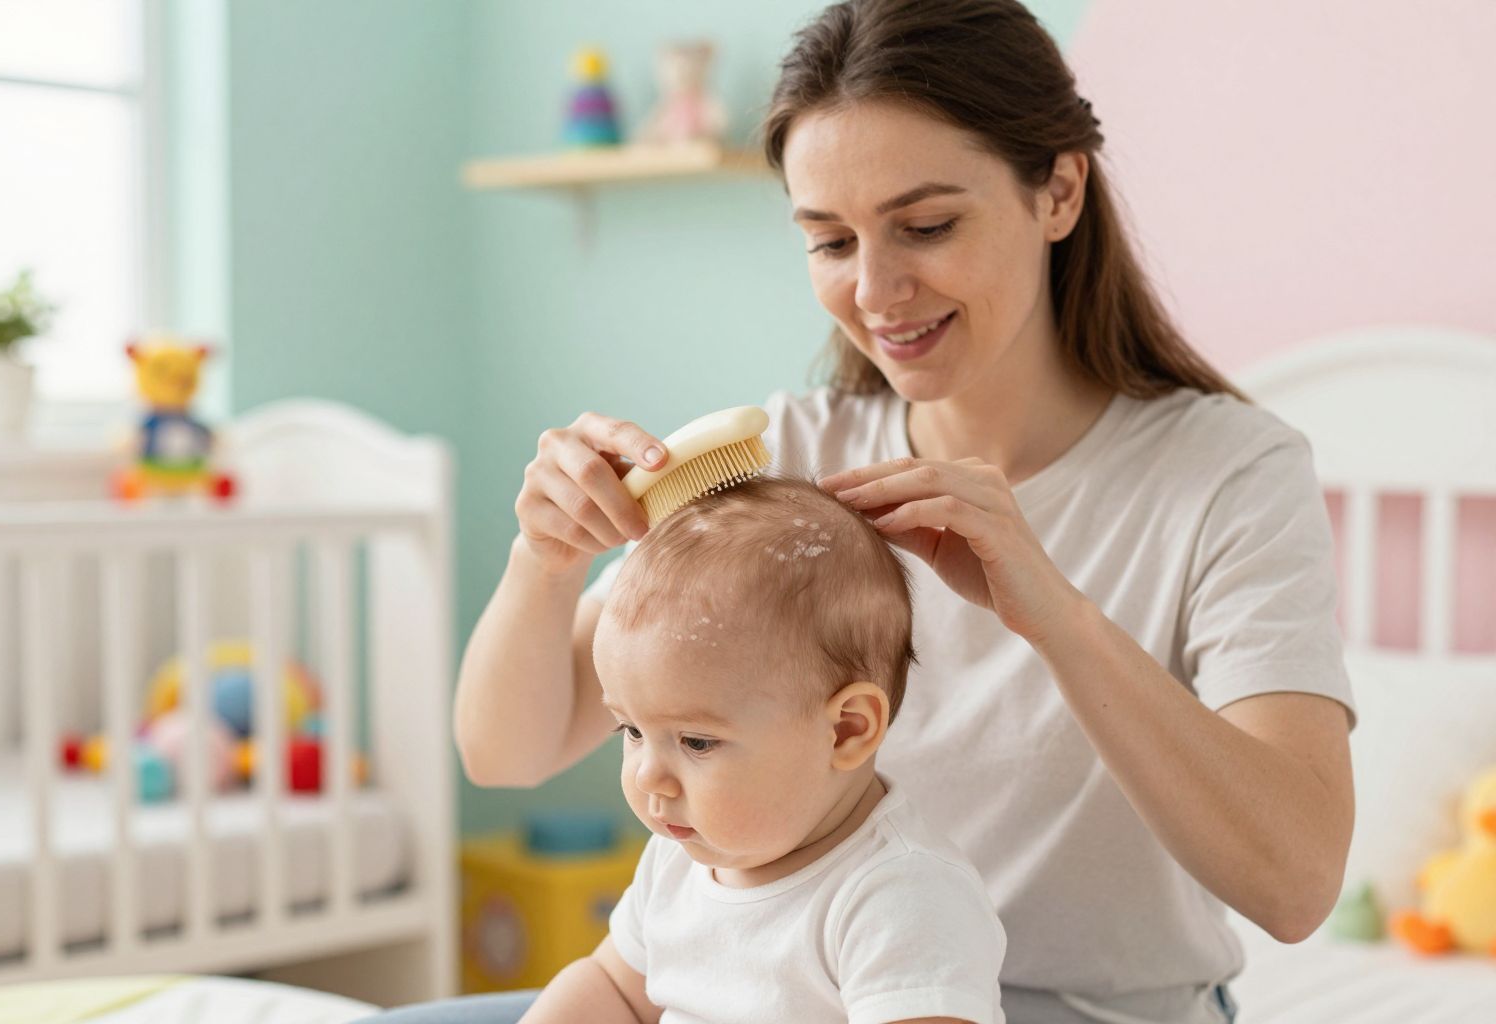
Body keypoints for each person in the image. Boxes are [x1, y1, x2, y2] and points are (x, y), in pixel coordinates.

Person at [375, 0, 1354, 1021]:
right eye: (830, 240)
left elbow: (1295, 886)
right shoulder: (791, 451)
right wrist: (545, 557)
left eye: (926, 226)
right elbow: (506, 750)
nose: (877, 289)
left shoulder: (1229, 475)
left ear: (1058, 189)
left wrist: (1054, 615)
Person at [520, 475, 1006, 1024]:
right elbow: (613, 988)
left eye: (696, 741)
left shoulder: (901, 899)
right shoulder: (678, 861)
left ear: (846, 730)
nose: (648, 777)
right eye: (630, 731)